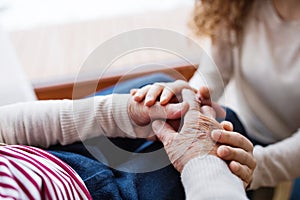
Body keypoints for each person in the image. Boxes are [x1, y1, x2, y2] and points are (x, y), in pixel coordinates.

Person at [133, 0, 300, 191]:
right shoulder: (240, 6)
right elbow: (212, 76)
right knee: (155, 85)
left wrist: (250, 164)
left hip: (265, 152)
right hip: (227, 123)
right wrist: (183, 101)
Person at [0, 89, 250, 199]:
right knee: (227, 123)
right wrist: (207, 166)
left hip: (50, 157)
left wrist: (123, 114)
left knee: (165, 88)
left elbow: (4, 127)